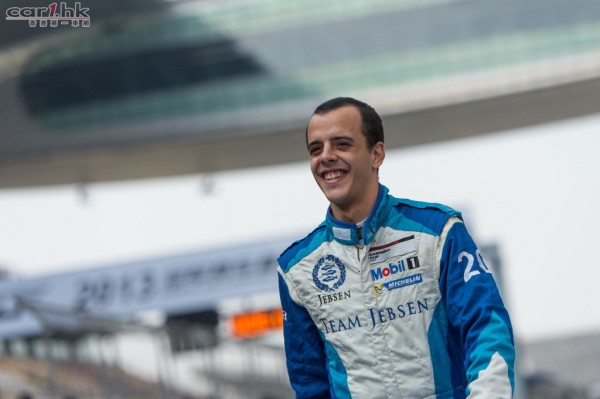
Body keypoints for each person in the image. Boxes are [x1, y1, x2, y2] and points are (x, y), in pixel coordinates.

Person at [277, 97, 515, 398]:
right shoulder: (296, 269)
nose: (326, 156)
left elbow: (487, 327)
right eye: (316, 149)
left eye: (341, 144)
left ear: (377, 154)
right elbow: (310, 384)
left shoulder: (438, 232)